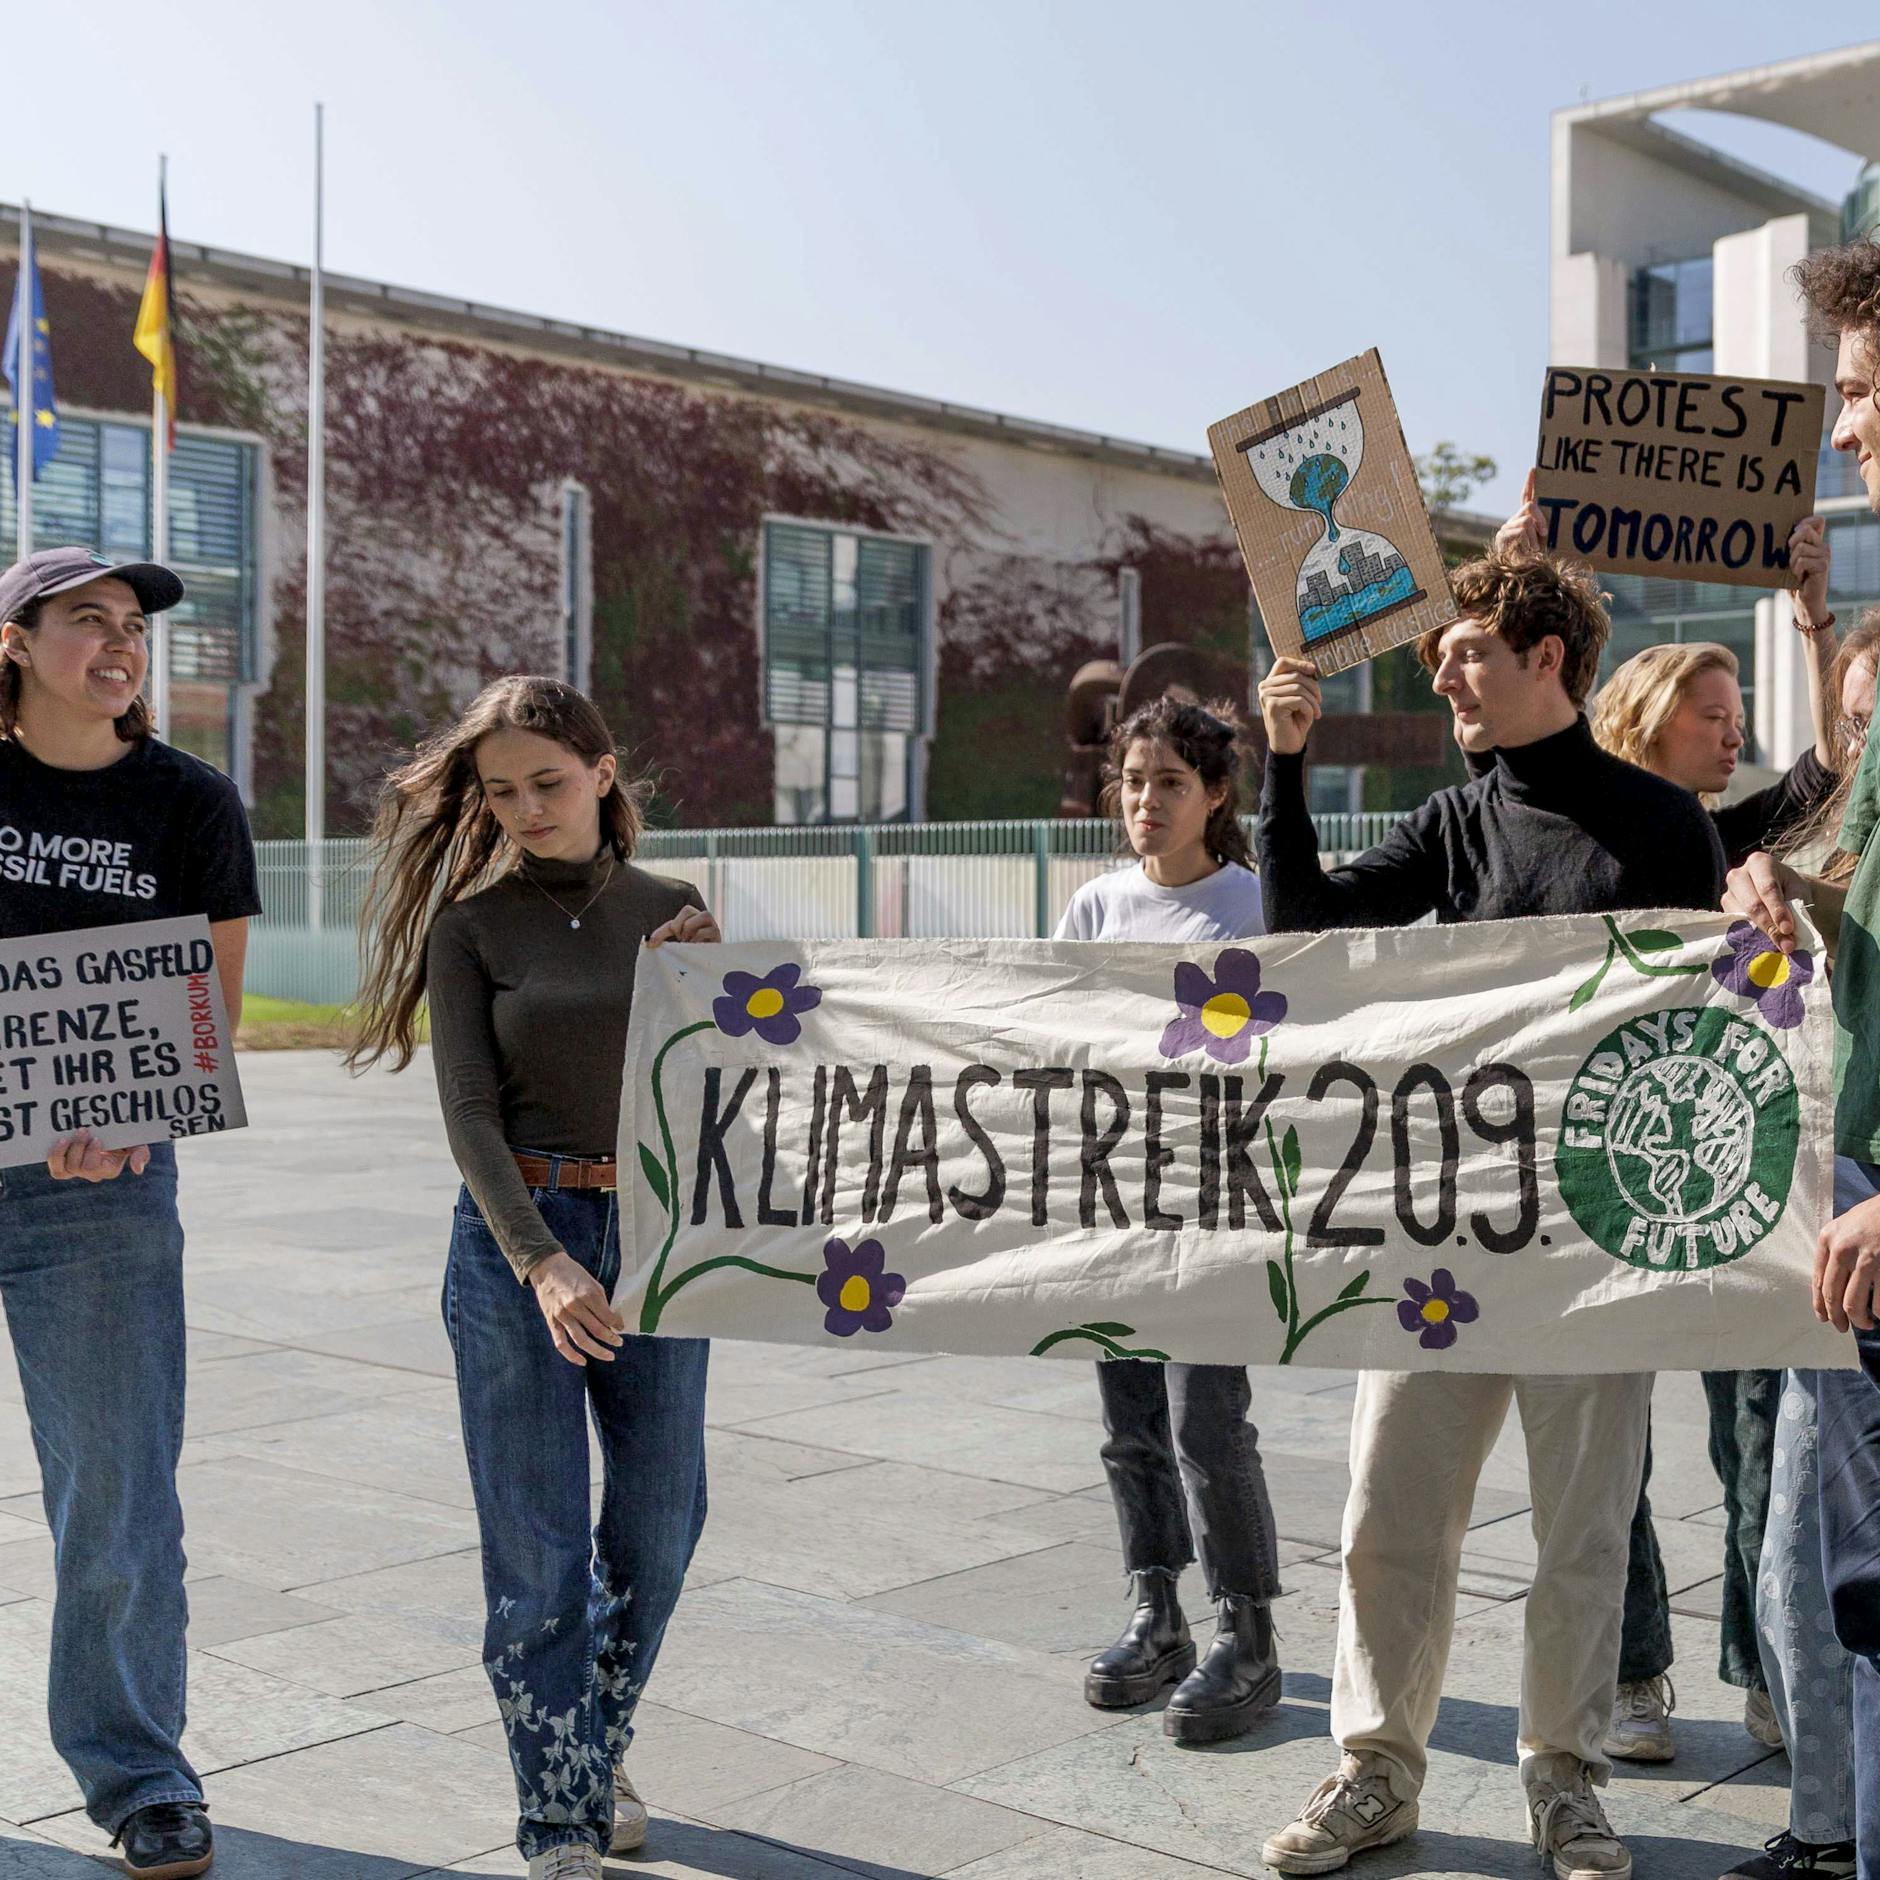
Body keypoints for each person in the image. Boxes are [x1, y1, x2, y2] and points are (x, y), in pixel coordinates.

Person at [1253, 547, 1725, 1880]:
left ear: (1547, 660)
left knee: (1583, 1532)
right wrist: (1286, 765)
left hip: (1591, 1249)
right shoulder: (1449, 826)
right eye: (1445, 654)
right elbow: (1302, 932)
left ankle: (1563, 1778)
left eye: (1468, 649)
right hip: (1438, 1243)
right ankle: (1375, 1770)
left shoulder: (1661, 827)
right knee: (1387, 1515)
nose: (1446, 669)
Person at [347, 676, 717, 1880]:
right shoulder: (473, 923)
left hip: (660, 1236)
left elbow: (737, 1080)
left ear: (604, 771)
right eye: (501, 791)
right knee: (537, 1553)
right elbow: (466, 1110)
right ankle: (558, 1819)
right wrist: (541, 1259)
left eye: (545, 782)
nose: (522, 808)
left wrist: (712, 994)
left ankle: (586, 1746)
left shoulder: (677, 909)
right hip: (517, 1243)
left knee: (659, 1528)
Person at [0, 547, 262, 1878]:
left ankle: (141, 1774)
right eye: (86, 620)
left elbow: (204, 1010)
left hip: (94, 1181)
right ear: (16, 640)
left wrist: (145, 1109)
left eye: (134, 628)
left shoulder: (190, 802)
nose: (119, 644)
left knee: (115, 1482)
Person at [1585, 615, 1838, 1768]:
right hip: (1602, 1183)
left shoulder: (1737, 840)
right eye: (1710, 713)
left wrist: (1814, 628)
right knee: (1608, 1446)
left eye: (1737, 713)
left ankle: (1762, 1669)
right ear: (1643, 719)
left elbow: (1829, 763)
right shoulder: (1583, 836)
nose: (1733, 731)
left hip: (1733, 1178)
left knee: (1749, 1435)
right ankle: (1634, 1669)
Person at [1715, 230, 1880, 1880]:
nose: (1839, 431)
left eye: (1857, 390)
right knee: (1810, 1559)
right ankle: (1832, 1835)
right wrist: (1794, 884)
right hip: (1850, 1178)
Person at [1055, 696, 1284, 1743]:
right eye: (1131, 781)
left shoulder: (1251, 903)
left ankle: (1248, 1632)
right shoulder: (1094, 906)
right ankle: (1156, 1610)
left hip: (1218, 1201)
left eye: (1168, 784)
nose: (1143, 801)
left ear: (1216, 794)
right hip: (1114, 1199)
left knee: (1206, 1421)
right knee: (1129, 1424)